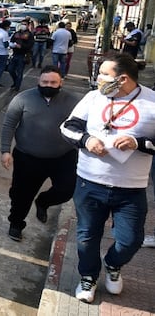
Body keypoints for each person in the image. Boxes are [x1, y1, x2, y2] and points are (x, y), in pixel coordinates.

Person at [60, 53, 155, 303]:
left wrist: (138, 142)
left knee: (130, 240)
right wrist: (87, 140)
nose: (99, 78)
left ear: (123, 78)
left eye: (104, 74)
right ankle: (88, 277)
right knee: (86, 236)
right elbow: (68, 127)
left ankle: (113, 264)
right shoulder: (94, 98)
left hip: (131, 189)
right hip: (89, 183)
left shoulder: (152, 101)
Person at [0, 65, 79, 242]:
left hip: (63, 157)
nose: (48, 85)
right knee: (21, 194)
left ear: (61, 83)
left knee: (67, 189)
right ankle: (16, 223)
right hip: (27, 157)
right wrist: (5, 150)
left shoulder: (73, 102)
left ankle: (43, 202)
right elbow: (9, 125)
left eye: (53, 82)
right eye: (45, 81)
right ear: (39, 81)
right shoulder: (22, 99)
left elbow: (82, 125)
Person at [7, 19, 34, 92]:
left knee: (19, 72)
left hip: (23, 55)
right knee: (10, 69)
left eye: (25, 24)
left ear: (28, 25)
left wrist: (21, 46)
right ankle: (16, 82)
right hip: (15, 54)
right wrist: (12, 45)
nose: (23, 26)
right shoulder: (17, 33)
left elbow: (30, 45)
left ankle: (17, 87)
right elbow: (11, 41)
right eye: (22, 24)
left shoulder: (30, 35)